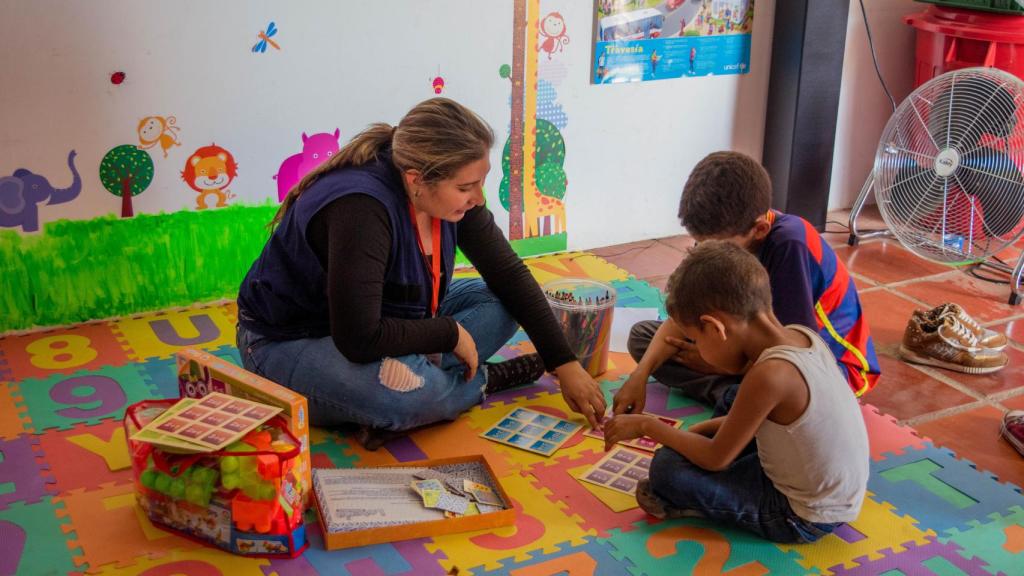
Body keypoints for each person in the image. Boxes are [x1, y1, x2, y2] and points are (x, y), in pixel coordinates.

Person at [236, 98, 606, 449]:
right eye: (465, 187)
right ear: (417, 180)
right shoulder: (360, 209)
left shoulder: (449, 192)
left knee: (503, 299)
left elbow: (508, 273)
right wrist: (449, 333)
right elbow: (358, 338)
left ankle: (416, 380)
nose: (478, 197)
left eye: (480, 182)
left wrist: (564, 363)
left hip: (387, 321)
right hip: (290, 339)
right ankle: (479, 381)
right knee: (398, 398)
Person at [603, 241, 869, 543]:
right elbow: (771, 424)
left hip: (801, 515)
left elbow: (716, 458)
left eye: (695, 339)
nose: (697, 349)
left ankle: (695, 506)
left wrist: (646, 425)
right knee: (733, 400)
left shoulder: (769, 375)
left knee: (667, 470)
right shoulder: (800, 335)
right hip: (826, 487)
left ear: (715, 329)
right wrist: (701, 432)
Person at [615, 151, 879, 418]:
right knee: (643, 338)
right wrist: (639, 376)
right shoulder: (726, 235)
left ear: (760, 230)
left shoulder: (790, 245)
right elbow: (684, 313)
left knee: (772, 393)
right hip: (752, 353)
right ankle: (737, 398)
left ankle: (738, 399)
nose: (705, 251)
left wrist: (721, 365)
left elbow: (797, 354)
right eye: (700, 243)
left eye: (716, 245)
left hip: (831, 370)